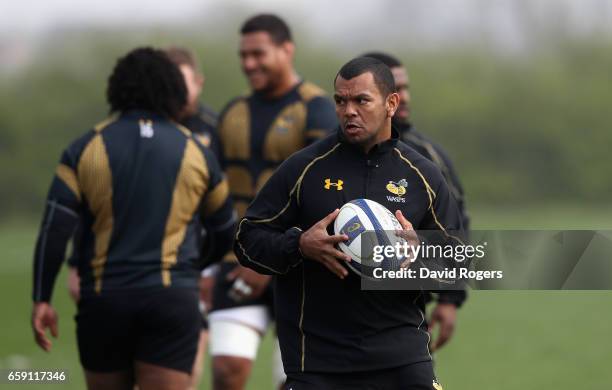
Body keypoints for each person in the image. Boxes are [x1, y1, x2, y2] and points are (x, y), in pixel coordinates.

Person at [235, 57, 463, 389]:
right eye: (340, 101)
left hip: (401, 359)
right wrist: (299, 245)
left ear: (391, 103)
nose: (348, 111)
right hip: (317, 363)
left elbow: (456, 261)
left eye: (361, 100)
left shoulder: (422, 174)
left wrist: (421, 253)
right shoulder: (304, 169)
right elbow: (246, 239)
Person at [31, 47, 235, 390]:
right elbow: (226, 230)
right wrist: (194, 266)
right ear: (175, 91)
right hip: (172, 299)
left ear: (117, 88)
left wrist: (42, 298)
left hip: (105, 298)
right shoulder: (196, 151)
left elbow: (55, 229)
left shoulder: (86, 147)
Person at [209, 14, 337, 390]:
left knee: (296, 382)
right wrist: (205, 266)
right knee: (227, 371)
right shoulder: (232, 112)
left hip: (300, 267)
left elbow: (322, 196)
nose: (249, 63)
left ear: (286, 50)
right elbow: (212, 197)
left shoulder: (317, 109)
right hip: (237, 263)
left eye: (258, 54)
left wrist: (275, 258)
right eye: (243, 55)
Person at [364, 51, 469, 352]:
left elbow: (457, 226)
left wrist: (450, 299)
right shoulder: (332, 156)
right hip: (339, 312)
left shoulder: (429, 157)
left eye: (406, 88)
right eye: (395, 88)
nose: (405, 97)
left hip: (407, 312)